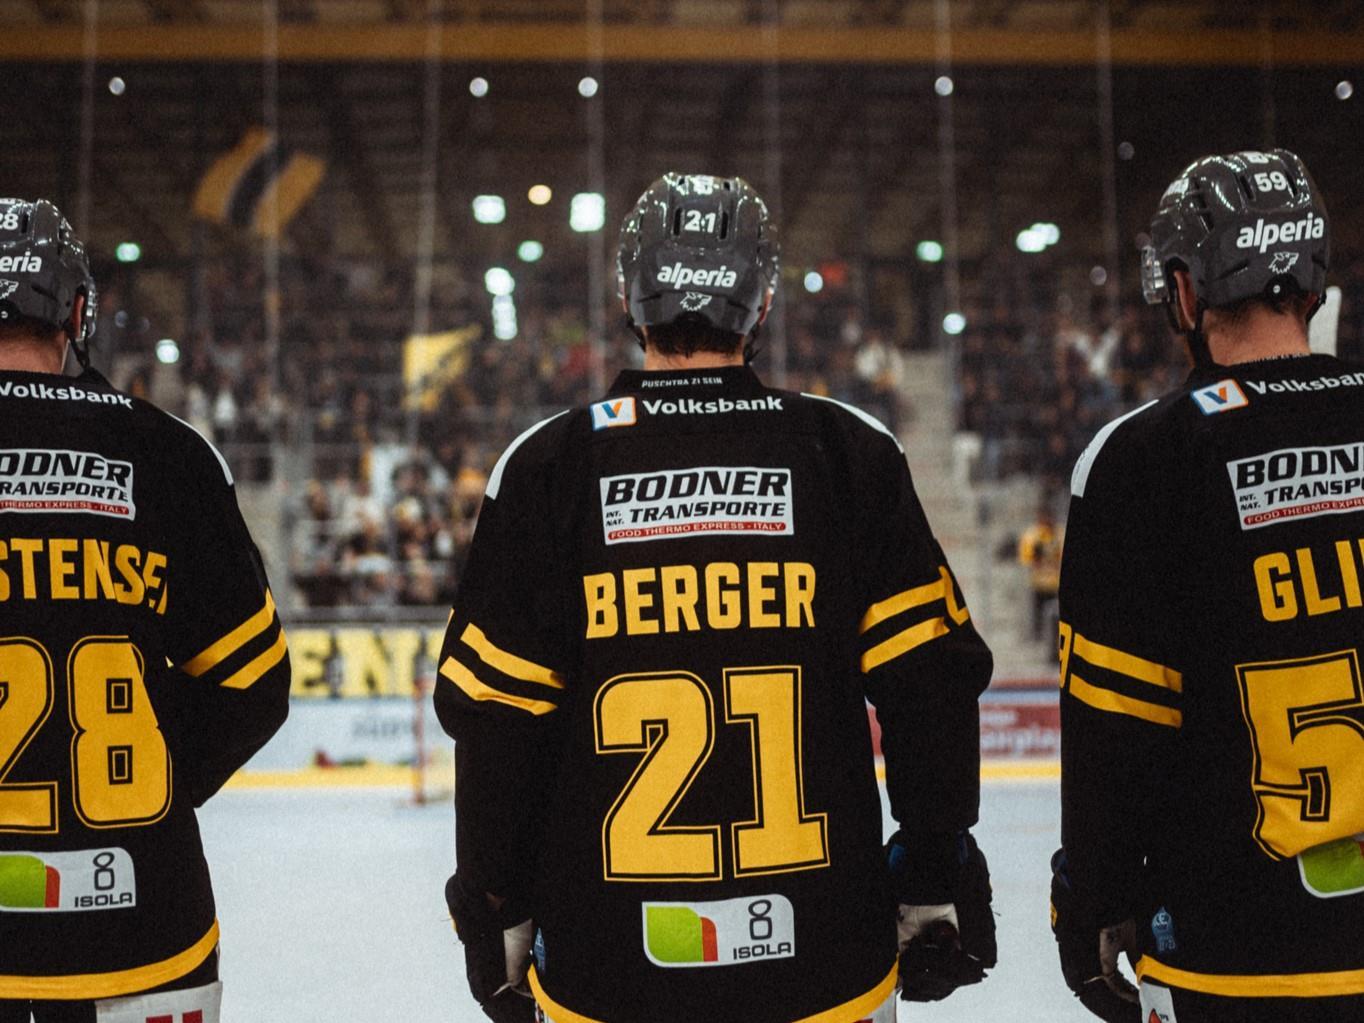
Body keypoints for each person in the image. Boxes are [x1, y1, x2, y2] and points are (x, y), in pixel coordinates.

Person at [435, 173, 996, 1023]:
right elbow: (931, 687)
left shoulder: (549, 466)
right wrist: (932, 874)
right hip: (825, 972)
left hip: (611, 972)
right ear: (762, 298)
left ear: (631, 294)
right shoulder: (847, 452)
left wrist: (495, 906)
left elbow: (496, 722)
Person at [1050, 150, 1364, 1023]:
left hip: (1238, 954)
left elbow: (1115, 728)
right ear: (1311, 283)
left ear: (1184, 292)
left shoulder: (1141, 460)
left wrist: (1091, 905)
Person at [0, 199, 290, 1022]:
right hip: (143, 924)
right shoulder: (168, 453)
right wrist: (150, 786)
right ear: (78, 313)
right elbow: (256, 685)